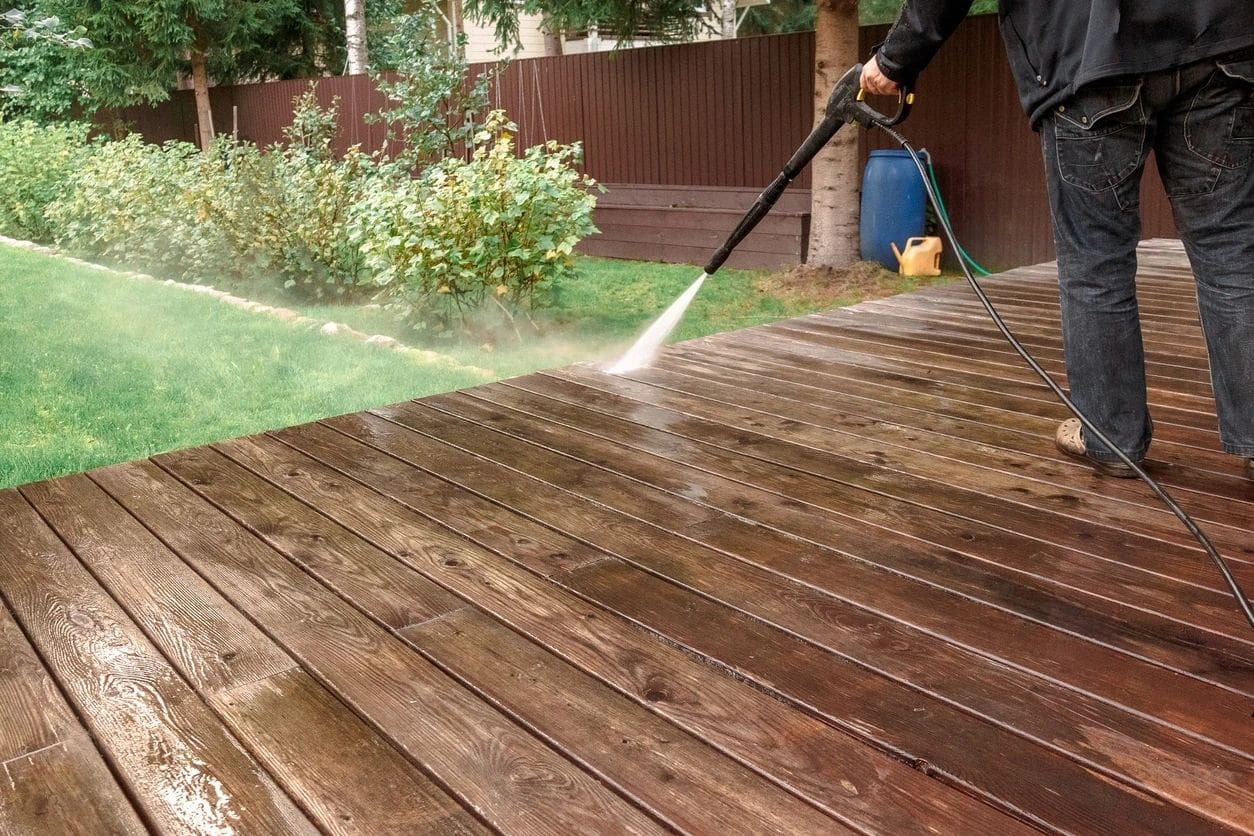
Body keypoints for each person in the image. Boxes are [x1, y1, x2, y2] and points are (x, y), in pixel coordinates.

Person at [861, 2, 1254, 481]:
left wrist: (894, 60)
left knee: (1096, 264)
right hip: (1220, 47)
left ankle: (1112, 440)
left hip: (1089, 60)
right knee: (1232, 254)